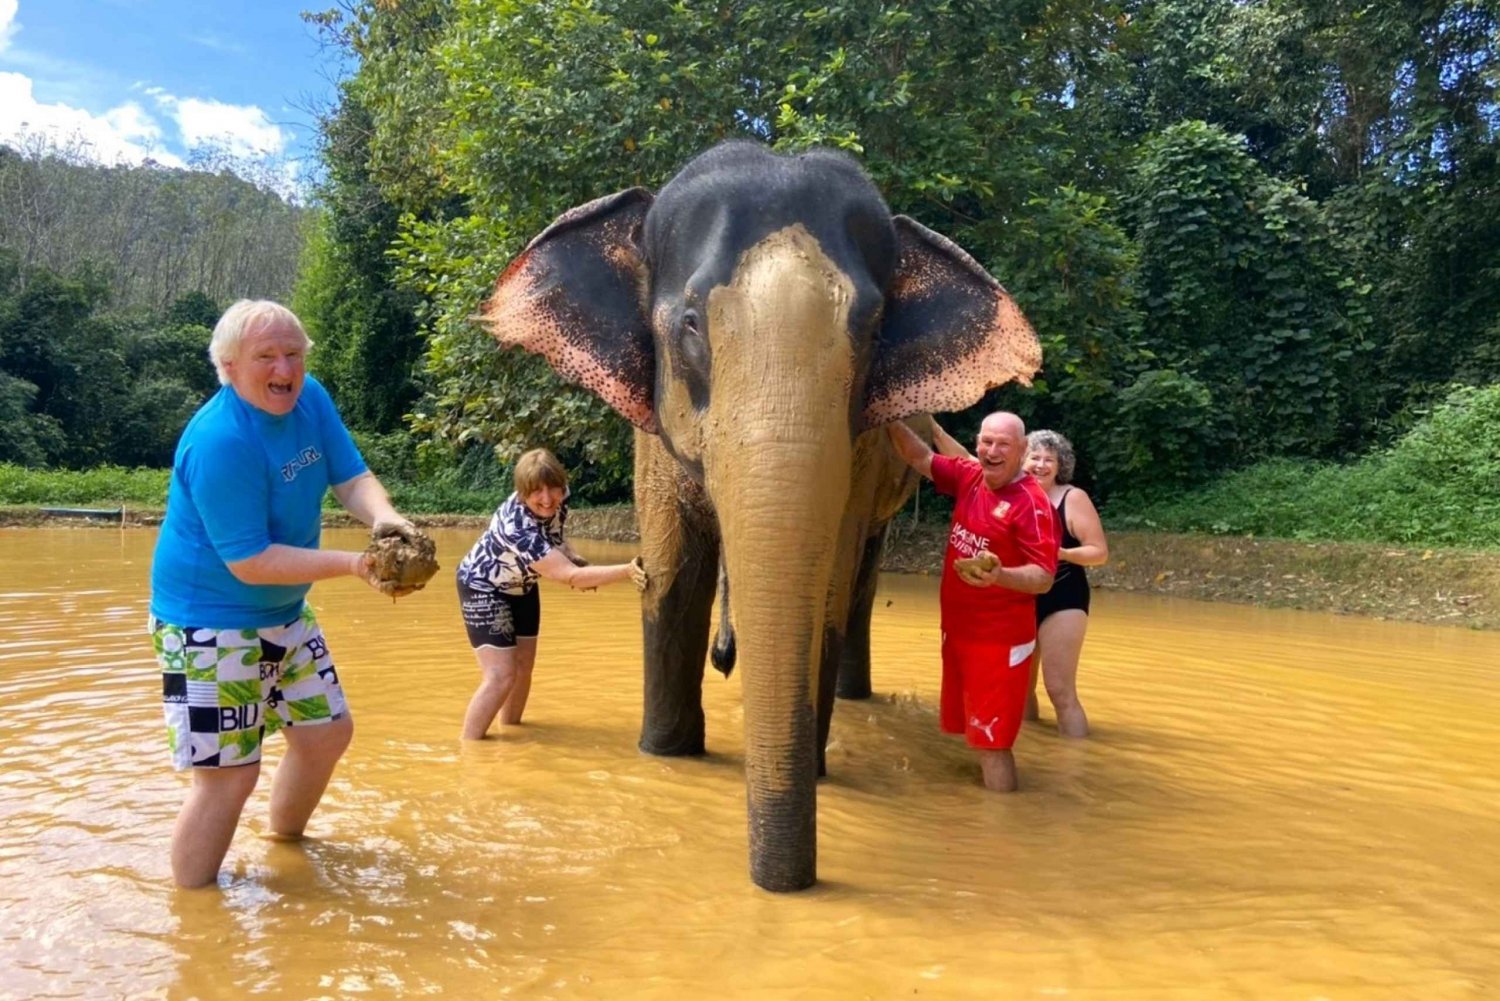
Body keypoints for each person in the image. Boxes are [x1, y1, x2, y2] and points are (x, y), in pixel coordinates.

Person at [148, 299, 420, 889]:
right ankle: (194, 923)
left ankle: (284, 848)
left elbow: (350, 476)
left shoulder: (309, 399)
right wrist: (357, 563)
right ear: (228, 366)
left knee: (325, 734)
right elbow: (250, 560)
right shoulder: (221, 441)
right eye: (266, 356)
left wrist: (385, 520)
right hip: (209, 624)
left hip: (286, 612)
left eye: (293, 354)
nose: (284, 369)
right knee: (227, 778)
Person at [887, 413, 1059, 792]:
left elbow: (1044, 578)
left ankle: (1001, 835)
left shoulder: (1031, 504)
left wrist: (1001, 576)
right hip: (960, 631)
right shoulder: (971, 477)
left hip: (999, 643)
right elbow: (919, 458)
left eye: (1003, 445)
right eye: (986, 442)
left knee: (993, 746)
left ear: (1022, 450)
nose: (992, 451)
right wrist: (886, 418)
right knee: (973, 733)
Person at [456, 448, 647, 739]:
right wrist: (628, 570)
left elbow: (556, 537)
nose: (547, 499)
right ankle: (470, 749)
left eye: (553, 489)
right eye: (537, 493)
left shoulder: (562, 496)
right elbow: (569, 577)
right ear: (522, 494)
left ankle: (511, 734)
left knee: (522, 668)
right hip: (484, 586)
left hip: (524, 584)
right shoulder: (518, 528)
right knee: (500, 676)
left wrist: (571, 554)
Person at [1022, 430, 1108, 737]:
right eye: (1034, 457)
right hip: (1020, 596)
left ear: (1061, 466)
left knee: (1059, 690)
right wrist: (935, 432)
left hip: (1064, 597)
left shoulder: (1073, 498)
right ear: (1021, 460)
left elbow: (1098, 552)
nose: (1041, 465)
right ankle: (1036, 751)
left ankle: (1078, 767)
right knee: (1019, 689)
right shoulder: (1012, 493)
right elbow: (968, 464)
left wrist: (1061, 553)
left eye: (1050, 459)